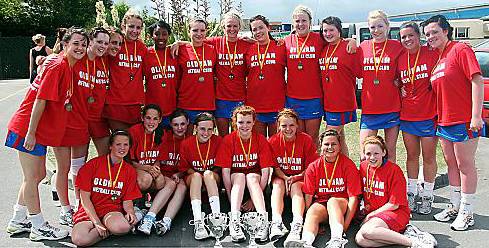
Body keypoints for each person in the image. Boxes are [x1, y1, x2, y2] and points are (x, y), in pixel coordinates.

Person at [5, 27, 88, 241]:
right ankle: (37, 225)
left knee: (38, 175)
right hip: (27, 127)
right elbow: (40, 100)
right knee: (33, 177)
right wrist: (31, 134)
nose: (80, 48)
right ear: (65, 44)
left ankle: (18, 219)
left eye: (83, 44)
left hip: (36, 130)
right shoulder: (58, 64)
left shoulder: (66, 65)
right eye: (76, 43)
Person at [422, 15, 485, 231]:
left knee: (465, 165)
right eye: (427, 34)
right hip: (444, 120)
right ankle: (455, 206)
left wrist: (475, 115)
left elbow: (476, 80)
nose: (430, 37)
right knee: (451, 164)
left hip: (463, 119)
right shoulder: (438, 58)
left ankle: (467, 212)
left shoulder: (460, 49)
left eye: (434, 32)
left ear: (446, 31)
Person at [355, 136, 437, 247]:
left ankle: (415, 243)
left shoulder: (394, 170)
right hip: (377, 215)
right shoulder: (363, 167)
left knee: (366, 231)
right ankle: (407, 236)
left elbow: (394, 204)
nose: (372, 157)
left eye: (376, 153)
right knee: (361, 240)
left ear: (383, 153)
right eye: (368, 154)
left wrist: (371, 215)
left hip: (396, 212)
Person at [285, 130, 361, 248]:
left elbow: (353, 198)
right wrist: (308, 217)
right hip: (322, 204)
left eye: (333, 144)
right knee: (313, 210)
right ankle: (306, 242)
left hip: (341, 205)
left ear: (340, 146)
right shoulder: (313, 166)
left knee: (333, 201)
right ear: (321, 145)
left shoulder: (348, 165)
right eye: (326, 144)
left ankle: (337, 239)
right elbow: (308, 196)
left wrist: (345, 226)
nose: (330, 147)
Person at [71, 130, 142, 246]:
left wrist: (130, 212)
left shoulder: (130, 171)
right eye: (118, 144)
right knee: (80, 240)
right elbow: (84, 198)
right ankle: (107, 229)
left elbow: (127, 199)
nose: (122, 148)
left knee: (122, 227)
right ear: (110, 146)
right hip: (90, 210)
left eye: (126, 144)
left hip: (111, 209)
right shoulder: (92, 165)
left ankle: (112, 227)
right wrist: (96, 222)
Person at [215, 105, 275, 243]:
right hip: (236, 182)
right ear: (234, 122)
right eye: (241, 122)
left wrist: (253, 200)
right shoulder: (229, 140)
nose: (245, 126)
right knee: (240, 176)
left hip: (256, 183)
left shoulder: (260, 139)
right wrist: (230, 197)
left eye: (248, 122)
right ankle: (234, 220)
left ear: (254, 122)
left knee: (251, 176)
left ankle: (263, 220)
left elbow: (266, 171)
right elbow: (225, 172)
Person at [397, 22, 438, 214]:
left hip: (429, 115)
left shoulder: (431, 53)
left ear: (418, 36)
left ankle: (428, 195)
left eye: (410, 35)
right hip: (407, 115)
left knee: (429, 157)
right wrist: (399, 85)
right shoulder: (400, 57)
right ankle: (412, 193)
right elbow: (396, 79)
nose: (407, 40)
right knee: (412, 156)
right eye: (403, 37)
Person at [70, 27, 111, 212]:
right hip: (78, 117)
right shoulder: (78, 59)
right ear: (90, 41)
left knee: (106, 159)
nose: (103, 46)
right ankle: (79, 202)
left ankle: (103, 197)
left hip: (98, 118)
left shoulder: (105, 61)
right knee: (78, 162)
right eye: (99, 42)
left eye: (106, 43)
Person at [358, 10, 403, 163]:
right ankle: (368, 185)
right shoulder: (363, 47)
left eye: (380, 26)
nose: (376, 30)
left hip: (391, 107)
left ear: (387, 26)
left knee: (389, 153)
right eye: (372, 27)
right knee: (365, 154)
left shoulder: (397, 47)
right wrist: (349, 42)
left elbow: (413, 58)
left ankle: (389, 185)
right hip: (370, 109)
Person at [268, 109, 318, 242]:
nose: (288, 129)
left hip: (300, 178)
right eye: (284, 126)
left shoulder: (306, 139)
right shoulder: (273, 141)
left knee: (296, 186)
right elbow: (276, 167)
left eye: (291, 125)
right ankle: (276, 222)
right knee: (277, 184)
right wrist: (285, 178)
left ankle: (297, 224)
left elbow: (310, 168)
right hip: (282, 176)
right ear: (278, 126)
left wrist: (297, 177)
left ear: (297, 126)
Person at [319, 16, 362, 156]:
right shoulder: (324, 49)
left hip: (342, 103)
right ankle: (346, 170)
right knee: (340, 139)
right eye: (325, 30)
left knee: (327, 139)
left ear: (339, 31)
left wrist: (353, 41)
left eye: (331, 30)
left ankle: (321, 173)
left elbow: (361, 73)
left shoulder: (348, 48)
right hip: (328, 103)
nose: (328, 33)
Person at [283, 5, 324, 143]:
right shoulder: (286, 41)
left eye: (304, 20)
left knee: (312, 138)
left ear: (310, 22)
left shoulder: (320, 39)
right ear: (293, 23)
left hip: (313, 97)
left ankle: (313, 165)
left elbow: (337, 41)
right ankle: (300, 165)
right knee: (297, 137)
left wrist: (351, 41)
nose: (300, 24)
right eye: (297, 21)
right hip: (293, 98)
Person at [179, 112, 222, 240]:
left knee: (208, 174)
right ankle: (198, 221)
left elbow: (220, 167)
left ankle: (217, 219)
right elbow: (185, 168)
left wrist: (206, 177)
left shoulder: (219, 141)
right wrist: (199, 176)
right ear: (195, 128)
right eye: (202, 129)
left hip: (212, 179)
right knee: (197, 175)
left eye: (210, 129)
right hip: (194, 180)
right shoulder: (186, 143)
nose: (206, 133)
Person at [104, 8, 148, 130]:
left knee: (134, 144)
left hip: (136, 103)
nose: (135, 31)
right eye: (131, 26)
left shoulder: (142, 47)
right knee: (120, 142)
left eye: (138, 28)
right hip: (116, 102)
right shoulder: (115, 43)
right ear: (123, 26)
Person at [148, 109, 189, 236]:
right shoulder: (164, 136)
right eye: (176, 125)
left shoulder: (190, 140)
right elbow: (157, 161)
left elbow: (189, 166)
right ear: (170, 125)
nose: (180, 128)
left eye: (182, 124)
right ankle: (149, 218)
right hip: (164, 177)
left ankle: (166, 221)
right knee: (170, 183)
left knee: (181, 186)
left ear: (188, 123)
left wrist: (179, 174)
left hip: (180, 176)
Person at [246, 15, 287, 137]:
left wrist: (346, 40)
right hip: (255, 105)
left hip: (277, 105)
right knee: (259, 145)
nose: (258, 32)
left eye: (261, 27)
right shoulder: (249, 49)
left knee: (277, 145)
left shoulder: (281, 46)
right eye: (254, 29)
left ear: (268, 28)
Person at [177, 18, 217, 131]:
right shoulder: (181, 49)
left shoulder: (212, 49)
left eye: (202, 30)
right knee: (187, 141)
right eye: (195, 30)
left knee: (205, 139)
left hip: (207, 104)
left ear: (206, 32)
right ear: (189, 31)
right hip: (187, 103)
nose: (199, 34)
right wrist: (178, 43)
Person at [144, 20, 179, 128]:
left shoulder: (175, 52)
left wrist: (179, 42)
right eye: (157, 34)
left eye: (164, 34)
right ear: (151, 36)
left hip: (172, 108)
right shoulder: (146, 53)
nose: (161, 37)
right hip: (152, 111)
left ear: (169, 35)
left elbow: (195, 43)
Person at [128, 104, 167, 194]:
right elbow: (129, 161)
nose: (151, 122)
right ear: (142, 118)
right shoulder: (134, 131)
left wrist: (155, 168)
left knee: (160, 181)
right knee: (146, 179)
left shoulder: (162, 133)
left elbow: (159, 159)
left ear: (160, 120)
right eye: (148, 118)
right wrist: (147, 168)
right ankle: (135, 200)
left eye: (155, 119)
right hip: (135, 167)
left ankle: (148, 199)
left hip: (149, 167)